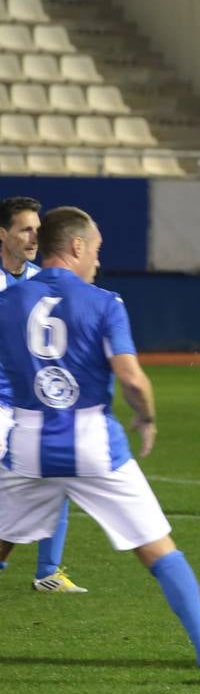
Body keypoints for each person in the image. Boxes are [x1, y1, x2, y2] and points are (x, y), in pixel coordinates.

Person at [0, 206, 200, 683]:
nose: (98, 261)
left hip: (26, 445)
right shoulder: (105, 302)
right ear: (77, 247)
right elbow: (131, 378)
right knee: (159, 551)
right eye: (97, 250)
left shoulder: (7, 302)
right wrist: (146, 416)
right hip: (93, 446)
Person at [0, 196, 85, 592]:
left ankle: (48, 571)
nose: (35, 236)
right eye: (24, 229)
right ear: (3, 234)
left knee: (57, 473)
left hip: (30, 404)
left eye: (38, 229)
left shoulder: (41, 280)